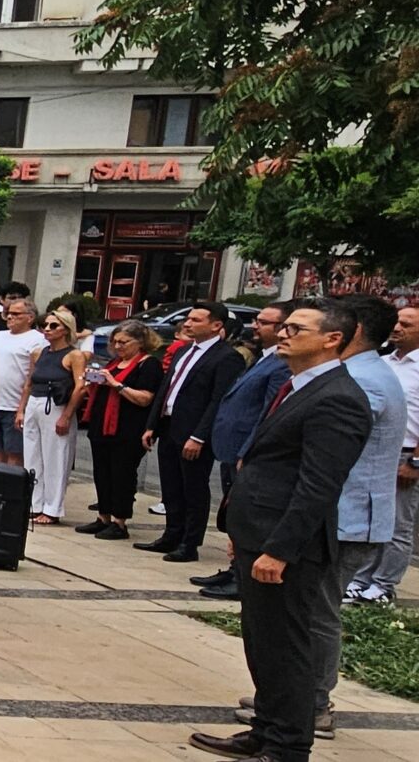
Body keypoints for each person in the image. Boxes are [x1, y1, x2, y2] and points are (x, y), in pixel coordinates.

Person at [186, 298, 371, 762]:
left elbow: (318, 486)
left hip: (288, 546)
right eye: (284, 326)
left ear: (332, 339)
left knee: (285, 647)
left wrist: (281, 550)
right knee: (263, 643)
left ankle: (288, 746)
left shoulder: (338, 398)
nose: (284, 334)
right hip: (259, 531)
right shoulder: (297, 384)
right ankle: (265, 730)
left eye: (296, 329)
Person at [194, 306, 292, 599]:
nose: (255, 326)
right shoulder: (263, 357)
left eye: (264, 322)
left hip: (244, 448)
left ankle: (241, 575)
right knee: (233, 511)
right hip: (231, 445)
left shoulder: (281, 364)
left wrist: (248, 450)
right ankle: (234, 567)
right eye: (256, 321)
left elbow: (267, 412)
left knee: (243, 515)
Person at [142, 303, 246, 563]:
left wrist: (199, 436)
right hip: (169, 425)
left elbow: (218, 400)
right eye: (188, 319)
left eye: (196, 320)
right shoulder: (183, 350)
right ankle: (171, 534)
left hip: (194, 432)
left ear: (216, 325)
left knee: (193, 488)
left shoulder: (226, 357)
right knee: (171, 485)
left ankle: (190, 543)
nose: (187, 324)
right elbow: (167, 388)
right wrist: (152, 424)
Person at [345, 301, 419, 604]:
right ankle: (360, 578)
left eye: (407, 324)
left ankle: (384, 584)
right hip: (376, 450)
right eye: (397, 322)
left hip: (406, 454)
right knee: (367, 517)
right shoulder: (384, 362)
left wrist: (415, 461)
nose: (398, 328)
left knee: (398, 524)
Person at [76, 321, 162, 541]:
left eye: (124, 342)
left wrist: (116, 384)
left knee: (122, 475)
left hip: (127, 429)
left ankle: (119, 521)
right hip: (101, 427)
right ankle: (103, 516)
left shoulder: (148, 364)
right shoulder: (115, 362)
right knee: (102, 473)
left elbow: (145, 398)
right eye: (115, 342)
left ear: (140, 342)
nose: (118, 346)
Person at [21, 308, 90, 525]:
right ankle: (34, 503)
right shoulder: (38, 353)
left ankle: (52, 507)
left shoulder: (74, 355)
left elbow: (80, 387)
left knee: (56, 457)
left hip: (56, 405)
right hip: (35, 402)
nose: (47, 329)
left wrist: (67, 416)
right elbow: (29, 382)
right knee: (32, 455)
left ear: (65, 329)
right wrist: (21, 409)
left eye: (53, 326)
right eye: (45, 325)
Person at [0, 284, 43, 467]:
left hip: (15, 406)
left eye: (16, 314)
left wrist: (22, 409)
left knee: (14, 454)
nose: (10, 317)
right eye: (8, 313)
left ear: (30, 317)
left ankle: (10, 485)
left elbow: (32, 377)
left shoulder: (37, 339)